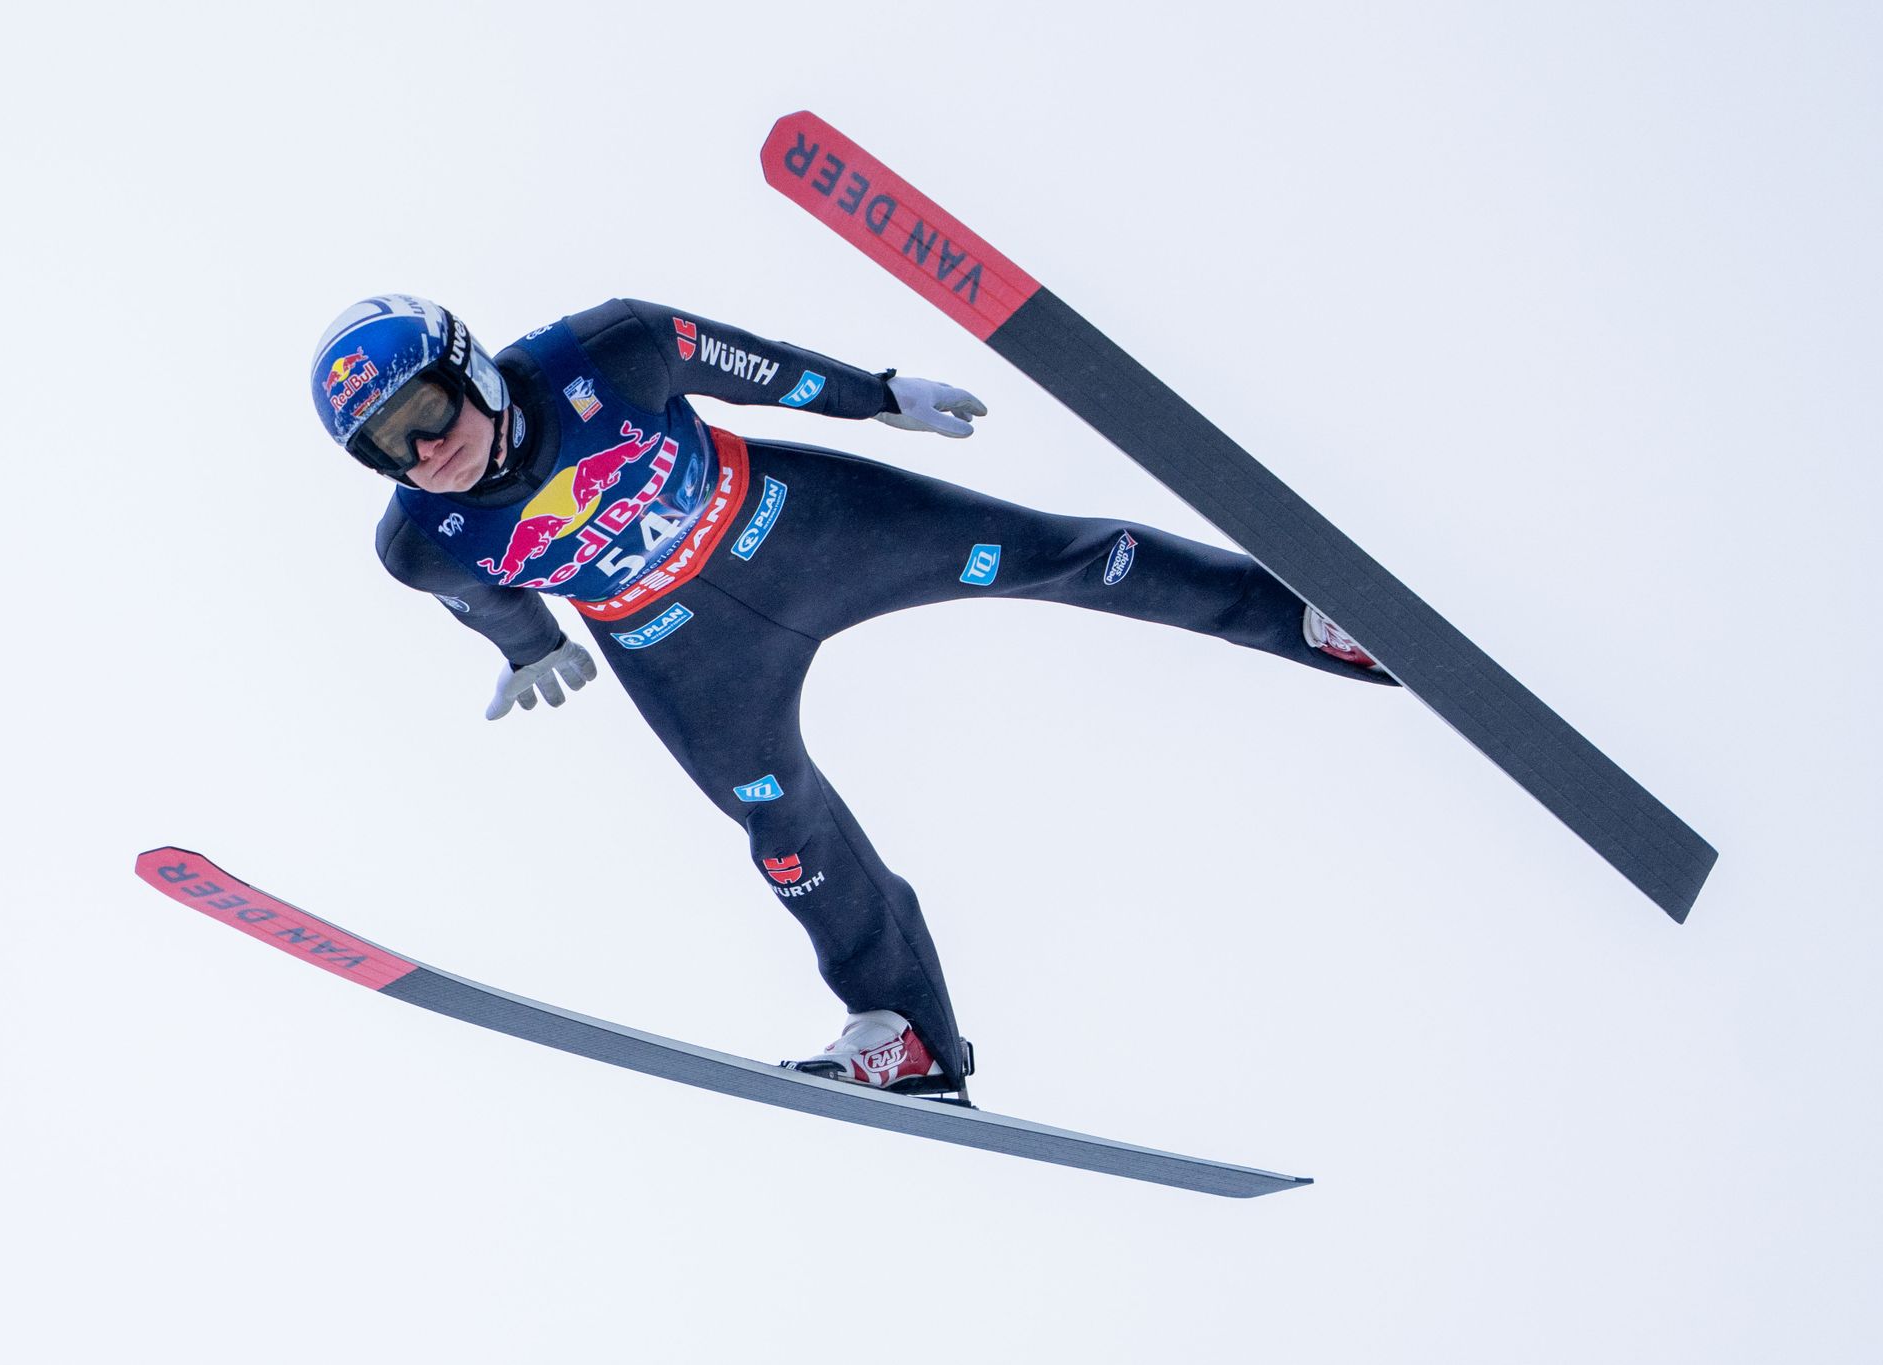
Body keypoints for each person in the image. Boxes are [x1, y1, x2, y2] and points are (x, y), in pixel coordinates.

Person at [309, 294, 1393, 1095]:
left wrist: (873, 399)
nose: (426, 452)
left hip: (804, 528)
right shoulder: (420, 544)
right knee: (781, 828)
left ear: (475, 370)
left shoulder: (606, 350)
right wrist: (529, 644)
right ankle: (907, 1038)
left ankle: (1308, 621)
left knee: (1060, 555)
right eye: (388, 448)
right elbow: (478, 595)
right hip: (684, 652)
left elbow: (751, 370)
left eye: (428, 412)